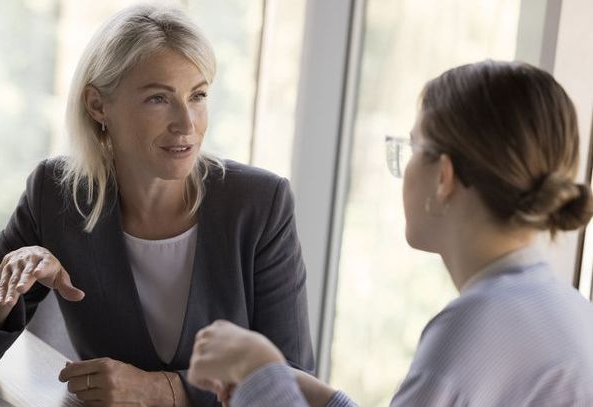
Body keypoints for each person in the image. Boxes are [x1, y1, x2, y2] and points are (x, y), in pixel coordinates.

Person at [0, 4, 313, 406]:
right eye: (159, 99)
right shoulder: (58, 194)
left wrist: (164, 391)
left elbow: (297, 381)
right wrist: (3, 284)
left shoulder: (260, 204)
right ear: (97, 106)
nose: (187, 123)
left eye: (197, 95)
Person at [187, 60, 593, 406]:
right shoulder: (564, 309)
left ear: (444, 178)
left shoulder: (475, 325)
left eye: (413, 147)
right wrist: (315, 393)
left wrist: (260, 371)